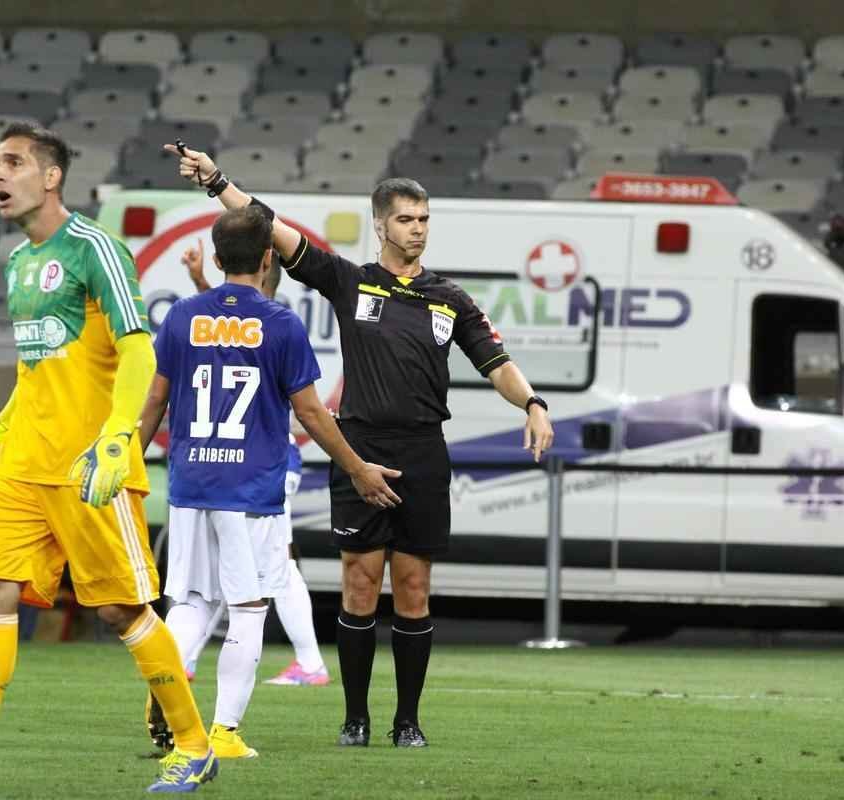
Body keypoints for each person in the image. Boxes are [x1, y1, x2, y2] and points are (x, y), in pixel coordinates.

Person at [166, 144, 555, 748]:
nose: (417, 229)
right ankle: (354, 718)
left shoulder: (449, 298)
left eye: (424, 220)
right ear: (381, 225)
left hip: (424, 451)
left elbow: (496, 362)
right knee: (359, 587)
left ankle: (408, 721)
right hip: (361, 444)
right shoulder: (351, 283)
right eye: (405, 219)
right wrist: (217, 181)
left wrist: (532, 403)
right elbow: (272, 228)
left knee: (414, 589)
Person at [0, 123, 217, 794]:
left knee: (122, 610)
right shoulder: (16, 265)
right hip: (23, 468)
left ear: (51, 175)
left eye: (11, 163)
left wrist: (120, 435)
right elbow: (40, 372)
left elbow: (137, 348)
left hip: (87, 467)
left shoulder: (96, 247)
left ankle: (194, 745)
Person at [138, 207, 399, 759]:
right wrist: (356, 467)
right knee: (250, 606)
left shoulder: (182, 316)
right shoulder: (280, 324)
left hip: (189, 486)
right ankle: (223, 732)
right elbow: (310, 411)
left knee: (188, 603)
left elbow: (156, 400)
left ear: (214, 258)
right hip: (252, 491)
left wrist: (130, 461)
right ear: (267, 258)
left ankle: (168, 690)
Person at [180, 237, 332, 688]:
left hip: (266, 463)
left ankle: (306, 661)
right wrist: (200, 281)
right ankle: (306, 661)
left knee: (265, 567)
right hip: (260, 462)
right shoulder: (268, 322)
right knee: (259, 565)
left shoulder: (271, 323)